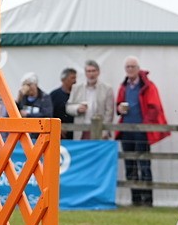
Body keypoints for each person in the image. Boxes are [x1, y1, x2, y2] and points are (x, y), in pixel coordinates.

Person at [115, 56, 168, 207]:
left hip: (141, 131)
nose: (130, 70)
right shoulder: (123, 87)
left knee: (144, 164)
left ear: (138, 68)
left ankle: (147, 200)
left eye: (133, 67)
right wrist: (119, 108)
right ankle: (135, 199)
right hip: (126, 130)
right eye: (128, 67)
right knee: (130, 164)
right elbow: (118, 105)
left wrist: (146, 125)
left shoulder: (148, 86)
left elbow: (154, 107)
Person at [66, 59, 115, 140]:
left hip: (99, 129)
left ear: (98, 72)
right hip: (81, 130)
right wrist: (77, 108)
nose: (91, 74)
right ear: (85, 73)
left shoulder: (107, 89)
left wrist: (105, 131)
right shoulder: (76, 88)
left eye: (93, 71)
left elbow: (109, 112)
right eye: (88, 71)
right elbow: (68, 107)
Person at [49, 67, 77, 137]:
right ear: (64, 79)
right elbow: (50, 113)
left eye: (75, 78)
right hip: (58, 132)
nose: (75, 81)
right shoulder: (54, 95)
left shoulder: (78, 94)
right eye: (72, 78)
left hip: (76, 131)